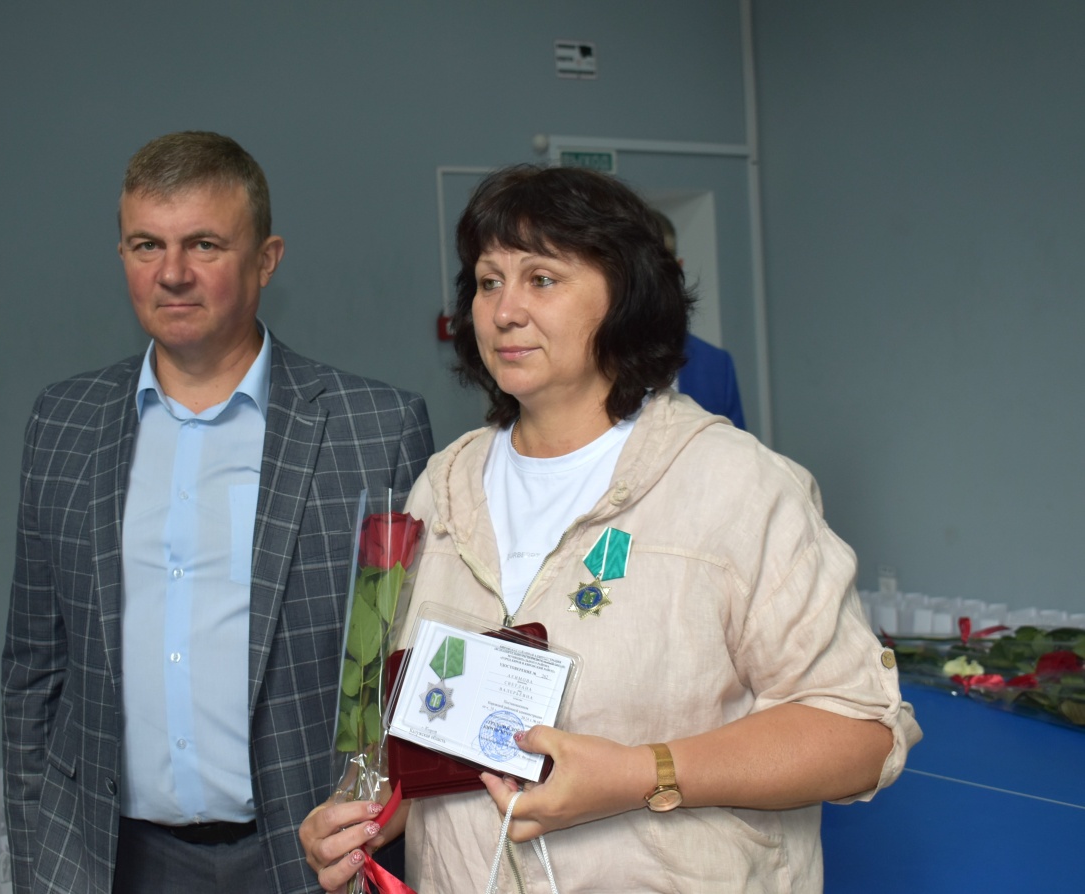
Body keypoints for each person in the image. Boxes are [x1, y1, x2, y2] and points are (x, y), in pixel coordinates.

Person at [302, 165, 919, 893]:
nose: (504, 310)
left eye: (542, 279)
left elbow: (857, 731)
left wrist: (641, 773)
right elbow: (433, 716)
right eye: (489, 281)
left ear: (625, 295)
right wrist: (374, 808)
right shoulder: (442, 486)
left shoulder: (736, 486)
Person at [2, 131, 434, 894]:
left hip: (307, 857)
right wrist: (39, 860)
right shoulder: (62, 423)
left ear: (266, 259)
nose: (172, 273)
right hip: (113, 860)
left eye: (204, 244)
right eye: (146, 245)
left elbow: (411, 665)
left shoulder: (376, 428)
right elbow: (33, 668)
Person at [652, 208, 747, 429]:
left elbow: (734, 446)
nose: (650, 274)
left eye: (661, 261)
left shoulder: (716, 365)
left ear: (678, 268)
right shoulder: (593, 359)